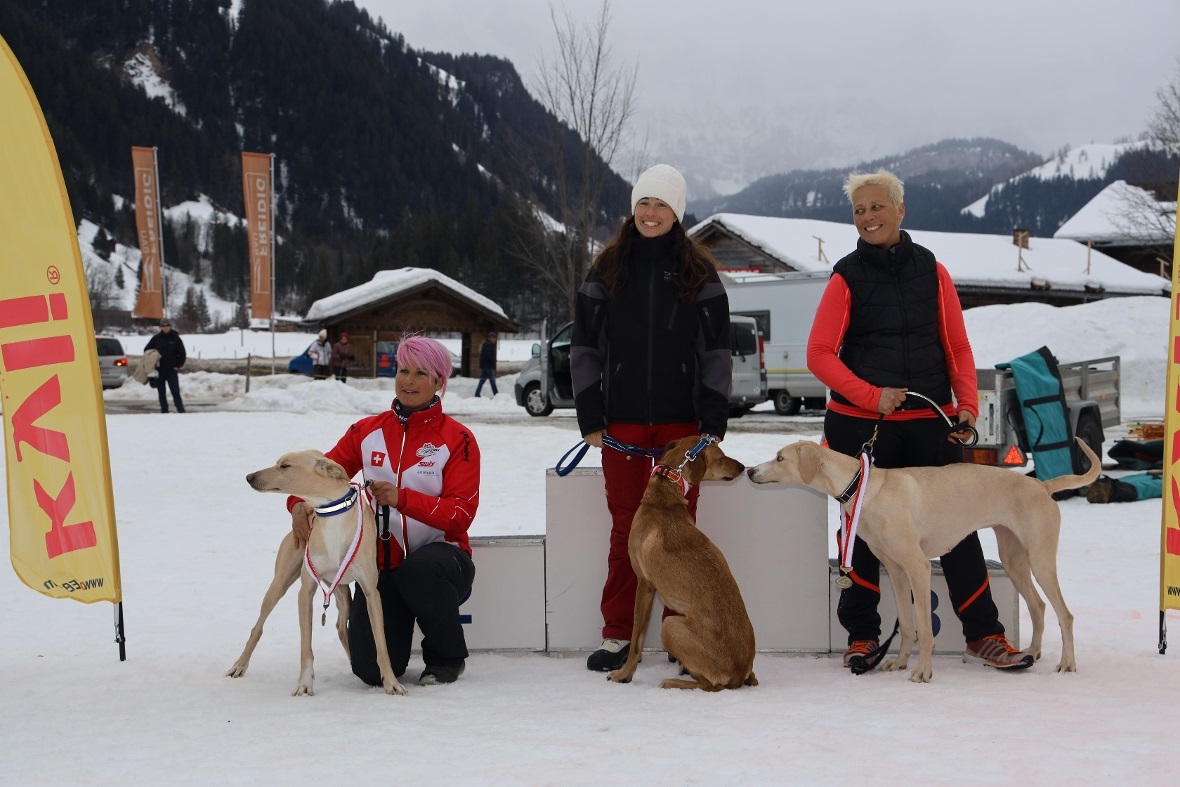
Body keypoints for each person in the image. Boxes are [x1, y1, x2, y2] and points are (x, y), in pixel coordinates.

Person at [807, 168, 1032, 673]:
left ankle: (984, 634)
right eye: (859, 210)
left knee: (959, 526)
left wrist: (967, 406)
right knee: (862, 532)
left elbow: (957, 346)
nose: (867, 217)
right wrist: (871, 395)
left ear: (900, 210)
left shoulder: (933, 271)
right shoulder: (845, 276)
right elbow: (819, 354)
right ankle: (862, 634)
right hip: (859, 427)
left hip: (930, 423)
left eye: (876, 206)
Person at [571, 163, 732, 672]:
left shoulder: (699, 274)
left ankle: (687, 634)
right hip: (622, 424)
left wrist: (711, 423)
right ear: (633, 209)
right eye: (644, 203)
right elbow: (584, 349)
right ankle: (619, 633)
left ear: (677, 213)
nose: (651, 212)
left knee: (679, 533)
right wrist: (590, 413)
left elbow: (717, 354)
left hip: (681, 429)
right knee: (626, 529)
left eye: (661, 204)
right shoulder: (607, 269)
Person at [286, 336, 479, 686]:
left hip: (443, 559)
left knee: (419, 571)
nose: (408, 381)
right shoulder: (366, 431)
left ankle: (446, 658)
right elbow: (319, 474)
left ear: (439, 382)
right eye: (403, 370)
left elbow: (460, 514)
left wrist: (402, 498)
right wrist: (297, 504)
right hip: (382, 566)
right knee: (370, 671)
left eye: (421, 373)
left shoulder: (458, 439)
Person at [144, 318, 186, 414]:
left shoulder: (176, 339)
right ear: (161, 327)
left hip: (171, 370)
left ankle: (181, 411)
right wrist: (153, 360)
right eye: (163, 325)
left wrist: (178, 365)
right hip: (159, 370)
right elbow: (146, 351)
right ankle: (164, 411)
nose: (165, 327)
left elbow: (182, 354)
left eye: (167, 325)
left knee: (175, 392)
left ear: (170, 326)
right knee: (161, 393)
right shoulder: (156, 339)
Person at [473, 332, 499, 398]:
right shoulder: (489, 345)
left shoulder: (486, 344)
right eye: (494, 338)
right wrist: (493, 362)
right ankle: (496, 394)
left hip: (485, 365)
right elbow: (488, 355)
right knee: (492, 380)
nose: (495, 340)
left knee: (482, 380)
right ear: (491, 338)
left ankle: (477, 393)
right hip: (488, 366)